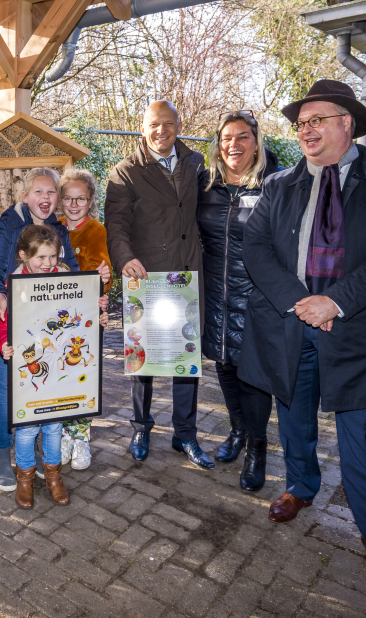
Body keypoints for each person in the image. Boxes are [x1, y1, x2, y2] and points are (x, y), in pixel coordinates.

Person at [240, 80, 366, 584]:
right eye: (301, 123)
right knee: (293, 412)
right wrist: (301, 303)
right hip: (291, 322)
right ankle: (300, 486)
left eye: (317, 119)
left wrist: (334, 301)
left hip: (358, 329)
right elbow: (256, 251)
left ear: (347, 123)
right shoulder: (278, 185)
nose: (306, 130)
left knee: (363, 432)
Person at [104, 100, 212, 469]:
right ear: (143, 127)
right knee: (143, 361)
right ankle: (140, 427)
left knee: (186, 357)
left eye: (168, 123)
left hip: (188, 274)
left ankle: (185, 434)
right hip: (147, 278)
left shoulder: (196, 164)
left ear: (178, 125)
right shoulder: (125, 172)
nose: (161, 130)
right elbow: (116, 225)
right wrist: (124, 258)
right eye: (154, 124)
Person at [0, 168, 79, 492]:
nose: (45, 199)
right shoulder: (8, 224)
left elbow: (73, 274)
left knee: (46, 388)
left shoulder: (59, 229)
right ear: (25, 195)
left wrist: (91, 293)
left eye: (51, 193)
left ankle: (32, 455)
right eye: (39, 192)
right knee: (8, 394)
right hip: (7, 325)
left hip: (48, 331)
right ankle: (2, 451)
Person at [0, 225, 109, 509]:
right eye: (40, 258)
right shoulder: (12, 284)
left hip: (59, 369)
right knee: (27, 429)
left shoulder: (69, 279)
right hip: (29, 369)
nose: (47, 263)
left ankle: (54, 476)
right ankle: (25, 478)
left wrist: (97, 313)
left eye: (52, 256)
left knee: (55, 425)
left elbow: (81, 313)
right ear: (23, 256)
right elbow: (1, 322)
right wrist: (3, 344)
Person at [196, 111, 281, 491]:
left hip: (256, 296)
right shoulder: (206, 184)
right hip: (216, 292)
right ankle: (237, 432)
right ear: (218, 143)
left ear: (256, 142)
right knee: (225, 367)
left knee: (254, 376)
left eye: (243, 137)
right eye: (227, 138)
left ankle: (258, 447)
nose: (234, 145)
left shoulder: (276, 185)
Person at [57, 168, 113, 470]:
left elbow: (106, 274)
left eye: (81, 199)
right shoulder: (54, 228)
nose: (74, 204)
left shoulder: (97, 231)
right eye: (68, 198)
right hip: (56, 317)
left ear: (90, 200)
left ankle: (80, 436)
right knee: (59, 374)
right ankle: (62, 434)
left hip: (86, 319)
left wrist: (103, 282)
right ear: (60, 200)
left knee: (82, 376)